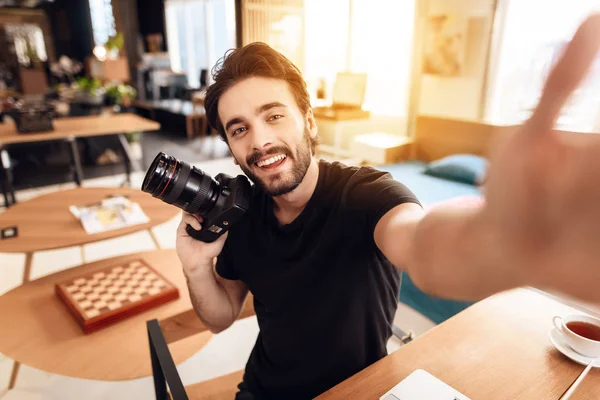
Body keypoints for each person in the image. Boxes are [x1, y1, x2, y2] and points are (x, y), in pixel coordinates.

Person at [175, 15, 600, 399]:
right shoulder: (243, 210)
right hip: (262, 391)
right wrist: (196, 267)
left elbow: (423, 246)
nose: (260, 141)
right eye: (239, 129)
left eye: (273, 116)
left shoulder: (366, 195)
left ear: (308, 120)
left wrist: (509, 235)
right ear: (230, 148)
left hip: (360, 390)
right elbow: (221, 315)